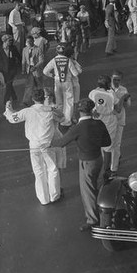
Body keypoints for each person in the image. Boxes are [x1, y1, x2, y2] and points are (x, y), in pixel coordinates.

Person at [50, 98, 111, 231]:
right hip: (98, 159)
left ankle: (93, 221)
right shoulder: (99, 123)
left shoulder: (78, 128)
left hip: (86, 162)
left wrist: (48, 144)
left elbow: (61, 143)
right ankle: (99, 212)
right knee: (94, 186)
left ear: (79, 111)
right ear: (92, 109)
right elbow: (107, 142)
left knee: (87, 192)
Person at [3, 89, 64, 205]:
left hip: (34, 145)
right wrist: (52, 108)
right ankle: (54, 196)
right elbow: (62, 117)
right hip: (47, 144)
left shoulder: (27, 111)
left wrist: (8, 108)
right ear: (43, 98)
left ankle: (43, 199)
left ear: (33, 99)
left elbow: (12, 118)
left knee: (38, 171)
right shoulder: (49, 111)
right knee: (52, 169)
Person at [88, 75, 123, 181]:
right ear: (107, 84)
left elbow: (90, 106)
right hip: (109, 122)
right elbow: (118, 109)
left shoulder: (92, 93)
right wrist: (123, 98)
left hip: (96, 121)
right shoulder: (111, 94)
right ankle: (106, 171)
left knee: (97, 146)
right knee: (108, 148)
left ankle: (95, 169)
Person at [43, 43, 82, 127]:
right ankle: (67, 121)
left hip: (57, 82)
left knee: (59, 101)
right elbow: (75, 74)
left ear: (56, 52)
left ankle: (59, 119)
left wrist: (53, 76)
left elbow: (45, 71)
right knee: (68, 102)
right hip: (67, 82)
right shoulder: (68, 60)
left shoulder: (54, 60)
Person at [110, 71, 131, 175]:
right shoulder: (107, 90)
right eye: (114, 79)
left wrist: (126, 100)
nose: (116, 82)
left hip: (119, 120)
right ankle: (113, 159)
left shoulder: (124, 90)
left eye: (118, 80)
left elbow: (128, 106)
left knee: (116, 145)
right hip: (108, 121)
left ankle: (113, 169)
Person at [0, 34, 21, 108]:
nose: (11, 42)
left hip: (12, 71)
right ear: (4, 41)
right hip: (2, 71)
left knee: (8, 85)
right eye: (9, 40)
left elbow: (19, 57)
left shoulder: (13, 48)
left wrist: (19, 67)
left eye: (12, 40)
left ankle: (5, 101)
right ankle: (14, 97)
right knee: (9, 85)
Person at [21, 35, 45, 107]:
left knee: (39, 85)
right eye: (27, 41)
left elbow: (41, 60)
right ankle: (25, 101)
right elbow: (23, 60)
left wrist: (35, 67)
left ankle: (42, 100)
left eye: (30, 41)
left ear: (33, 41)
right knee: (29, 85)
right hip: (29, 70)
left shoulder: (38, 49)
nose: (28, 43)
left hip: (37, 70)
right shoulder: (24, 49)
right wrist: (23, 70)